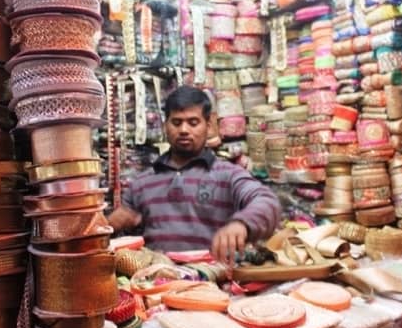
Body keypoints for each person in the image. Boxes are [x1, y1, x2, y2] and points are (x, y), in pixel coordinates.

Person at [108, 85, 281, 264]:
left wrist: (241, 224)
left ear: (208, 125)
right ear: (165, 125)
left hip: (211, 282)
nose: (184, 130)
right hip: (156, 283)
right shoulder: (142, 184)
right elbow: (119, 228)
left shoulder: (228, 175)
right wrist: (110, 225)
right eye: (176, 122)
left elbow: (267, 201)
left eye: (193, 122)